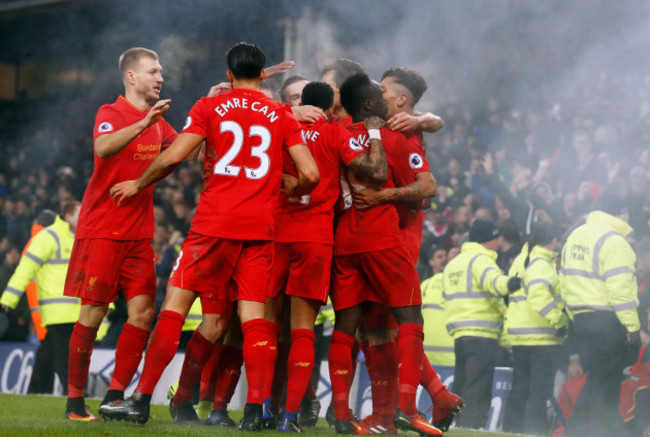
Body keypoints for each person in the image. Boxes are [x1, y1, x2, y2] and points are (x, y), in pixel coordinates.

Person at [100, 42, 319, 429]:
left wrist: (137, 184)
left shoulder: (209, 107)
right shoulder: (281, 114)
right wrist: (282, 183)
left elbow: (172, 156)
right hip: (258, 232)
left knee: (175, 309)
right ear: (262, 74)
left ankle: (142, 399)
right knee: (251, 321)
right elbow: (311, 176)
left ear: (229, 74)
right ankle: (254, 412)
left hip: (212, 227)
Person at [63, 47, 179, 421]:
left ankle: (115, 395)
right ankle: (75, 402)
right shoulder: (110, 113)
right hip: (102, 230)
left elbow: (185, 150)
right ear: (131, 76)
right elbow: (103, 147)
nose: (160, 77)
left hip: (140, 234)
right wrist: (144, 124)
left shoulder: (159, 120)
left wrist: (218, 103)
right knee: (93, 315)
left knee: (144, 313)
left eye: (161, 71)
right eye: (153, 71)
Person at [264, 80, 387, 432]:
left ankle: (261, 407)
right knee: (303, 332)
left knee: (269, 328)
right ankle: (290, 417)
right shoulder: (335, 134)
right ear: (331, 109)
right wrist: (375, 135)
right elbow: (374, 170)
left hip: (276, 234)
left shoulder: (280, 125)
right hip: (316, 238)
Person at [328, 72, 442, 436]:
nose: (384, 96)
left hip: (343, 245)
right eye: (379, 93)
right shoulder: (394, 136)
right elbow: (427, 188)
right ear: (369, 103)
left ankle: (345, 416)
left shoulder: (335, 133)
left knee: (351, 330)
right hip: (384, 241)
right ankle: (406, 408)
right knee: (408, 322)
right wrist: (384, 196)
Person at [561, 194, 641, 437]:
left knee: (596, 379)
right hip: (607, 321)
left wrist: (574, 316)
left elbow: (563, 282)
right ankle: (600, 431)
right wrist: (632, 327)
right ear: (620, 213)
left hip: (581, 320)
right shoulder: (615, 241)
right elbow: (621, 291)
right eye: (626, 212)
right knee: (605, 384)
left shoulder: (575, 235)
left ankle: (576, 431)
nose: (628, 216)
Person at [442, 218, 521, 429]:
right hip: (482, 334)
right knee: (478, 387)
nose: (499, 242)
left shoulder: (453, 264)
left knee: (462, 383)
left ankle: (451, 426)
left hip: (460, 334)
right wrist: (511, 283)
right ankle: (470, 428)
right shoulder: (482, 260)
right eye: (497, 237)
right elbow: (495, 283)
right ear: (488, 240)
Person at [0, 202, 81, 394]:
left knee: (48, 351)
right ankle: (75, 395)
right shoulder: (48, 237)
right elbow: (25, 270)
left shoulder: (76, 238)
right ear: (68, 216)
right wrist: (9, 298)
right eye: (81, 213)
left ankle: (36, 389)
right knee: (64, 353)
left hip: (68, 309)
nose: (86, 216)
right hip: (57, 309)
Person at [502, 222, 568, 435]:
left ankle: (510, 432)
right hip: (542, 338)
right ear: (552, 241)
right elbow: (539, 296)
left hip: (520, 337)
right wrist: (559, 321)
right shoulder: (541, 263)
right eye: (558, 239)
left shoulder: (521, 260)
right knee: (539, 393)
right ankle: (537, 433)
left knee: (519, 391)